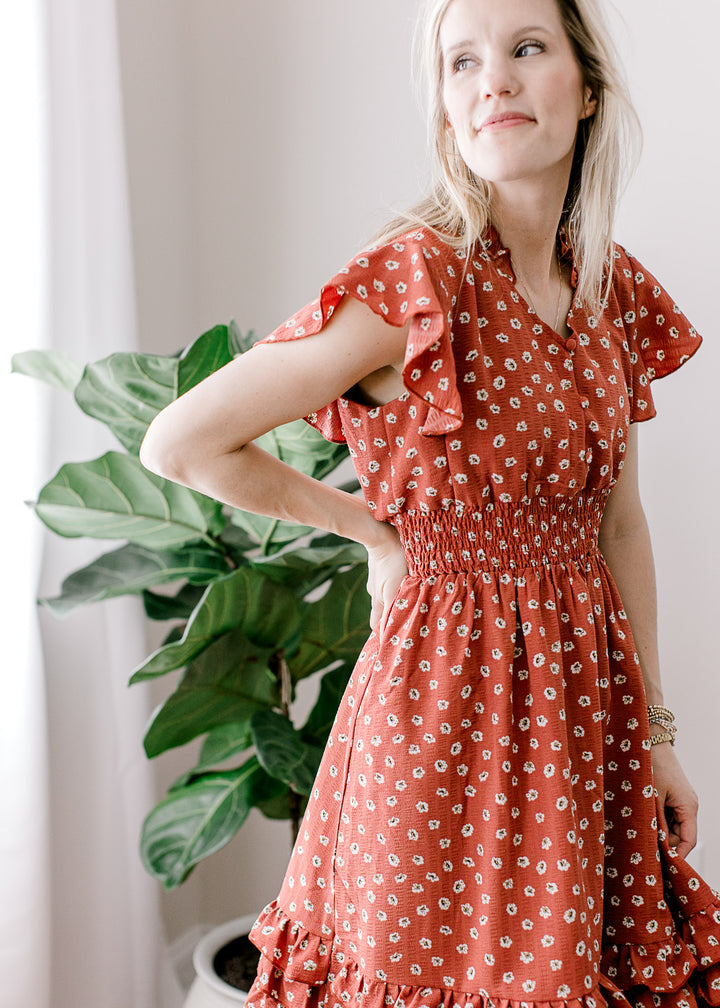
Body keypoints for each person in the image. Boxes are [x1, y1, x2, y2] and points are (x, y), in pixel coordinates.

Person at [140, 0, 720, 1005]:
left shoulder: (609, 289)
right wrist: (367, 529)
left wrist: (660, 736)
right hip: (444, 709)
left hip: (586, 716)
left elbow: (620, 525)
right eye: (461, 63)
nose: (490, 79)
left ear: (586, 88)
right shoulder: (421, 278)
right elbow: (182, 442)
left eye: (525, 49)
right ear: (448, 110)